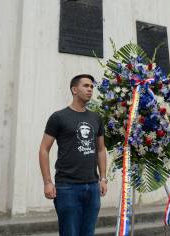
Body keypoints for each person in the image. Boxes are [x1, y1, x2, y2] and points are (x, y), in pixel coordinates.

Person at [39, 74, 108, 236]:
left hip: (92, 186)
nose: (90, 89)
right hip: (67, 187)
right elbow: (44, 149)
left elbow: (101, 149)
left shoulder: (96, 118)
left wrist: (103, 178)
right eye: (86, 86)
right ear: (74, 90)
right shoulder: (58, 117)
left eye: (91, 86)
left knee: (88, 233)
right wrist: (47, 182)